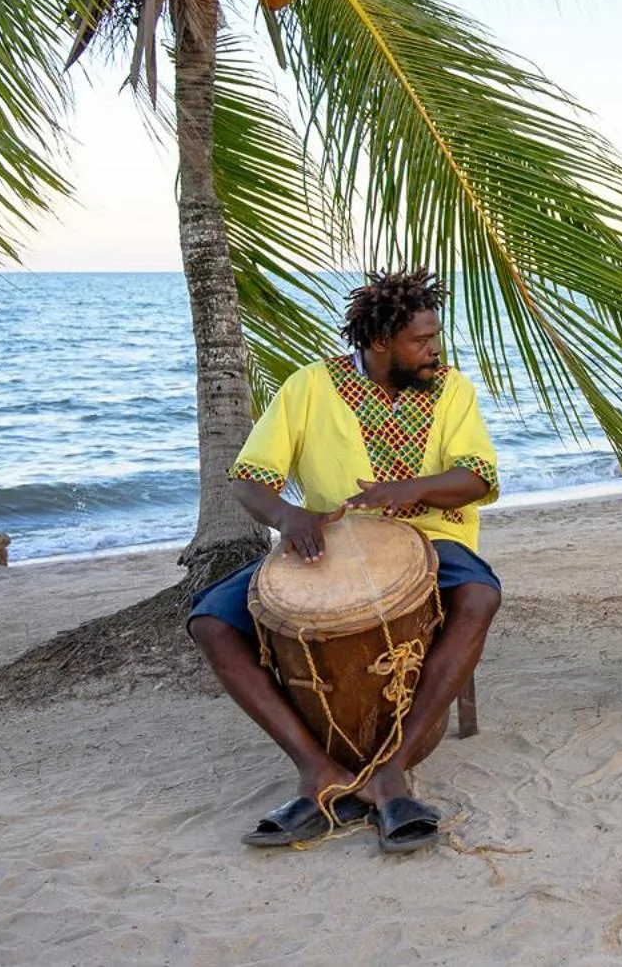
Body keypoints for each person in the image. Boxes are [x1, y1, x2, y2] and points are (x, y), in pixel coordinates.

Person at [187, 270, 502, 853]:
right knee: (210, 620)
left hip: (430, 536)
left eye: (435, 337)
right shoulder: (309, 387)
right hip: (329, 542)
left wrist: (407, 490)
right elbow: (250, 479)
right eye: (421, 340)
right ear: (380, 343)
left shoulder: (451, 389)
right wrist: (290, 519)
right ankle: (316, 768)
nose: (435, 350)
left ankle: (394, 767)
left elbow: (478, 477)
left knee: (480, 594)